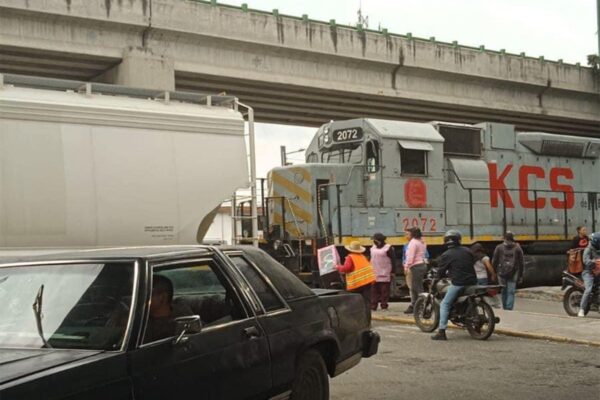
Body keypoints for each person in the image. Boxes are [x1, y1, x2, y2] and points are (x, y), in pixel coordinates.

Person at [431, 230, 477, 341]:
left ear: (446, 242)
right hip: (472, 281)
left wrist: (437, 278)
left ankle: (441, 332)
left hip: (458, 283)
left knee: (444, 304)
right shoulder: (467, 250)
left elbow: (441, 270)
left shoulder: (446, 254)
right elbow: (472, 261)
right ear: (459, 240)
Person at [338, 241, 376, 316]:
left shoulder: (350, 257)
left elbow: (346, 268)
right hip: (367, 281)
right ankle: (367, 318)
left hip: (357, 283)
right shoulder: (362, 256)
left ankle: (357, 317)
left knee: (355, 301)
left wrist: (337, 267)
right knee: (366, 301)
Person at [492, 231, 524, 311]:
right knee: (511, 292)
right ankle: (509, 308)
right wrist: (520, 275)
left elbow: (494, 261)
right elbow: (521, 262)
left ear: (504, 238)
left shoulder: (499, 247)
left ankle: (505, 307)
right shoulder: (517, 248)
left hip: (501, 272)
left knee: (503, 291)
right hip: (514, 272)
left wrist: (493, 273)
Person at [370, 233, 398, 311]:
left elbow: (393, 260)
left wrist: (393, 271)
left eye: (374, 240)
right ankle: (373, 306)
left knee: (384, 291)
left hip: (385, 272)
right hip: (374, 272)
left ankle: (384, 305)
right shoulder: (373, 248)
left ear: (378, 241)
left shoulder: (388, 248)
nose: (373, 242)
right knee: (373, 291)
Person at [144, 275, 176, 343]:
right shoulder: (141, 318)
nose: (141, 300)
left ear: (163, 297)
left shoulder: (181, 316)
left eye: (147, 295)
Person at [403, 227, 427, 315]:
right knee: (416, 287)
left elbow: (410, 256)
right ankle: (416, 305)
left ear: (412, 234)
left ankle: (421, 306)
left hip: (415, 266)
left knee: (416, 288)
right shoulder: (422, 241)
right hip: (421, 264)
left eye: (407, 234)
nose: (406, 236)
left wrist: (406, 266)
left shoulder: (413, 243)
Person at [580, 232, 600, 317]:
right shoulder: (588, 249)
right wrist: (595, 262)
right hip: (588, 272)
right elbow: (586, 261)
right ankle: (581, 309)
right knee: (588, 290)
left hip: (598, 272)